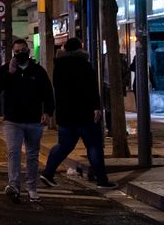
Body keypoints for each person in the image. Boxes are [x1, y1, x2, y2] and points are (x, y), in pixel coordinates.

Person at [40, 38, 117, 189]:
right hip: (84, 112)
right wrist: (96, 107)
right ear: (80, 49)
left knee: (64, 145)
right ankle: (102, 179)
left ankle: (48, 172)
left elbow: (57, 89)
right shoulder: (85, 65)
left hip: (65, 114)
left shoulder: (58, 66)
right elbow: (92, 89)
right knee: (93, 145)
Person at [0, 38, 55, 205]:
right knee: (14, 152)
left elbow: (47, 92)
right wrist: (8, 74)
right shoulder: (7, 69)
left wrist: (48, 112)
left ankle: (32, 188)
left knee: (32, 155)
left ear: (28, 51)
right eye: (16, 51)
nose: (19, 54)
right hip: (13, 120)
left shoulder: (37, 71)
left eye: (22, 50)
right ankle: (14, 186)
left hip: (33, 120)